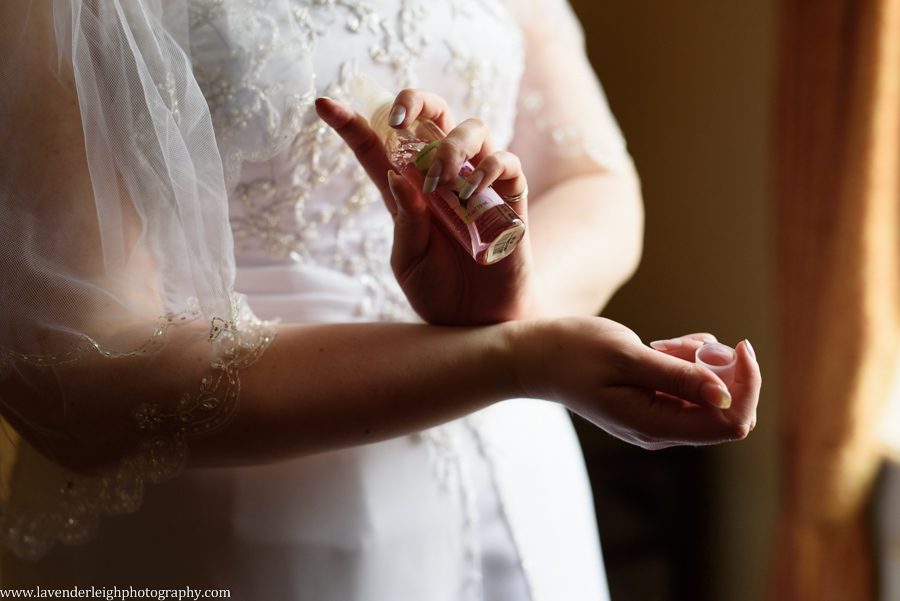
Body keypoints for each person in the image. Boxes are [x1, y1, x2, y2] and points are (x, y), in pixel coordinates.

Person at [0, 1, 760, 600]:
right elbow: (85, 363)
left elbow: (593, 179)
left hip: (520, 482)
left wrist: (508, 298)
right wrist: (508, 357)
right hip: (249, 518)